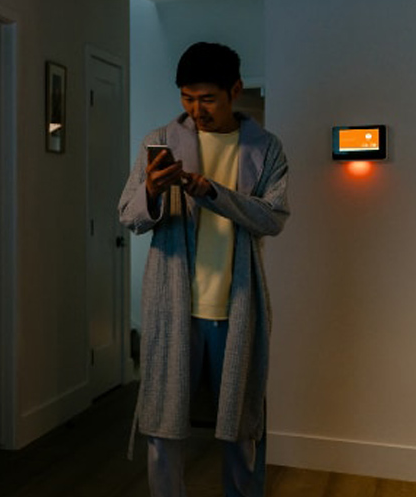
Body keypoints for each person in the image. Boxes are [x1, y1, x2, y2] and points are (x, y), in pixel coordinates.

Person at [118, 42, 290, 497]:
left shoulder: (265, 148)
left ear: (234, 90)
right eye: (186, 98)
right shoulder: (158, 141)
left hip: (238, 306)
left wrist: (211, 192)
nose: (196, 110)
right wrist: (152, 192)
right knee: (164, 424)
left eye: (207, 98)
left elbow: (273, 219)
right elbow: (128, 216)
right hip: (173, 305)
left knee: (242, 425)